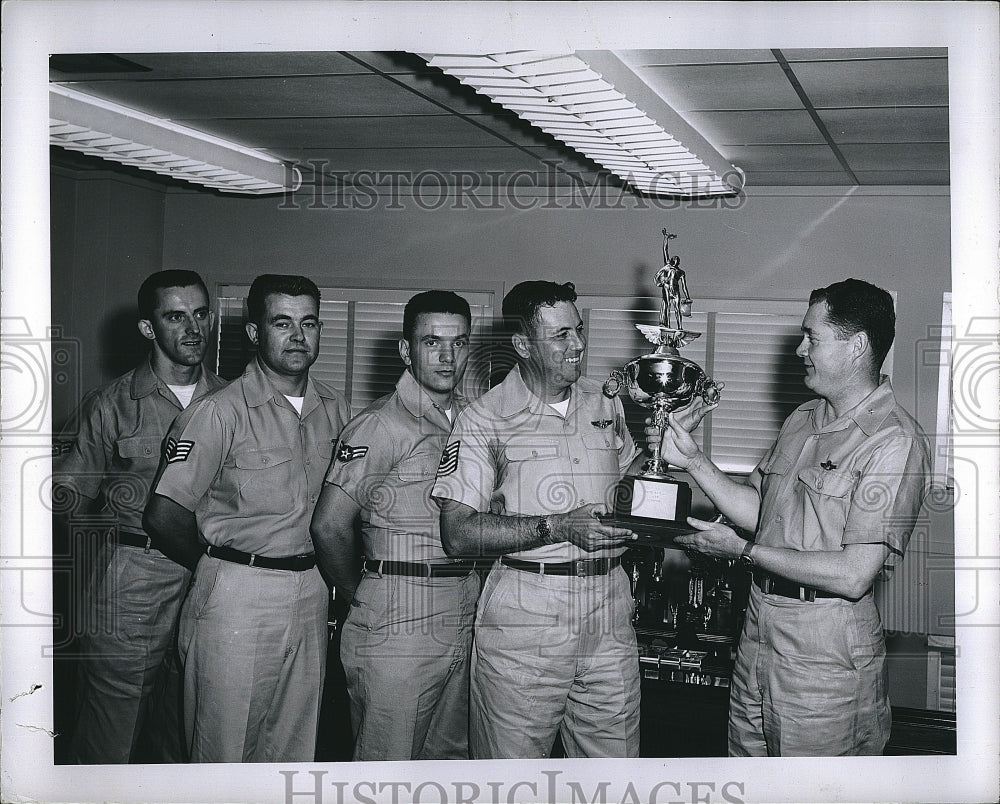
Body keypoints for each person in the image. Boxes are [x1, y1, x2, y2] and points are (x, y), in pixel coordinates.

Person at [653, 278, 930, 756]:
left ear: (857, 346)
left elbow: (852, 575)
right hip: (759, 632)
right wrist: (694, 461)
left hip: (825, 654)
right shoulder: (803, 418)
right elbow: (760, 511)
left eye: (812, 338)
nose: (800, 348)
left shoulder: (893, 441)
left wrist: (741, 552)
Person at [432, 280, 646, 759]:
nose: (579, 346)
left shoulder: (604, 402)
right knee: (512, 778)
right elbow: (459, 532)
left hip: (609, 606)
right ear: (523, 346)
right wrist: (557, 526)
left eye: (579, 330)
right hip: (527, 611)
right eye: (561, 336)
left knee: (616, 775)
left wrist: (663, 453)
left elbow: (627, 487)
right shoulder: (483, 419)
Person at [143, 274, 350, 763]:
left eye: (309, 323)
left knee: (294, 748)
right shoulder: (218, 412)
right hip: (237, 593)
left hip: (312, 590)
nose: (298, 336)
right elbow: (163, 514)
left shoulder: (335, 409)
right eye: (282, 323)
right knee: (224, 748)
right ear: (255, 333)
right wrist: (223, 567)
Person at [54, 269, 226, 764]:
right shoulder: (112, 405)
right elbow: (68, 502)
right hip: (135, 580)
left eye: (199, 314)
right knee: (114, 735)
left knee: (187, 733)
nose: (192, 328)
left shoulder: (231, 402)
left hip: (208, 577)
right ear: (149, 329)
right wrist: (109, 571)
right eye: (175, 316)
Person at [310, 290, 479, 761]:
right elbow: (328, 525)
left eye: (459, 343)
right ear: (406, 350)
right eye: (432, 342)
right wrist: (360, 595)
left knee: (449, 771)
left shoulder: (472, 421)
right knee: (388, 770)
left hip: (461, 604)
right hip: (398, 614)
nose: (448, 356)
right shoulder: (380, 425)